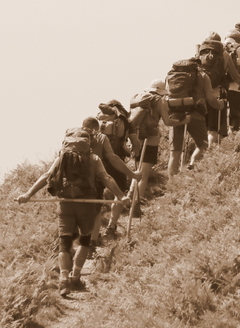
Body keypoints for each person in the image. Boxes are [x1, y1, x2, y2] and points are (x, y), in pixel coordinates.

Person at [16, 128, 130, 296]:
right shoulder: (94, 158)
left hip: (65, 204)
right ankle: (75, 276)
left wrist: (28, 194)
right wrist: (121, 195)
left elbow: (46, 176)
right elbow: (106, 178)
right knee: (84, 240)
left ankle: (63, 280)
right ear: (88, 142)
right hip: (87, 204)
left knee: (65, 242)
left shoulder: (62, 157)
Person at [81, 117, 142, 246]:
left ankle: (72, 243)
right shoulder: (103, 136)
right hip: (99, 174)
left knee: (83, 208)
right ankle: (101, 235)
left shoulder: (74, 137)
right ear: (97, 128)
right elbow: (113, 158)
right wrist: (132, 174)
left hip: (79, 177)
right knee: (98, 209)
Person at [129, 80, 191, 196]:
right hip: (151, 138)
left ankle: (130, 195)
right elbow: (167, 122)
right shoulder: (160, 101)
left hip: (135, 137)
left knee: (137, 170)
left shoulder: (138, 98)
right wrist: (183, 121)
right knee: (144, 174)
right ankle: (136, 201)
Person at [166, 57, 225, 175]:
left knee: (174, 153)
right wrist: (219, 105)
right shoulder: (202, 75)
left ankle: (172, 182)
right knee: (203, 145)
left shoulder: (171, 75)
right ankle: (192, 165)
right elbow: (210, 98)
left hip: (175, 113)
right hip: (195, 113)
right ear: (198, 65)